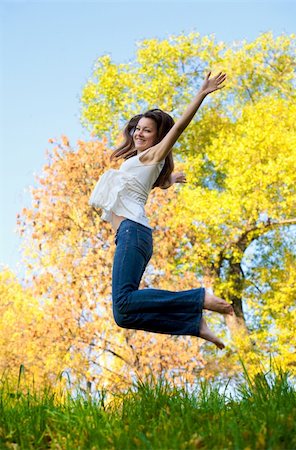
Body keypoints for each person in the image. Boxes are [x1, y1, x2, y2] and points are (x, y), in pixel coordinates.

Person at [89, 71, 234, 349]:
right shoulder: (140, 164)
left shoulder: (152, 155)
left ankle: (199, 298)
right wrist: (169, 180)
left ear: (158, 137)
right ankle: (192, 323)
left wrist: (201, 94)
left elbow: (177, 128)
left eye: (147, 130)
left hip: (133, 232)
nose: (139, 133)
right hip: (133, 235)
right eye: (137, 128)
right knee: (124, 313)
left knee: (124, 301)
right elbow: (142, 188)